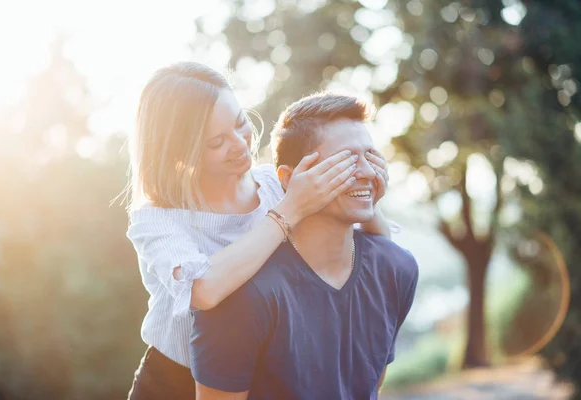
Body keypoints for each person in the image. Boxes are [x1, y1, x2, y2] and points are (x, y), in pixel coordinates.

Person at [125, 62, 395, 399]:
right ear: (180, 152)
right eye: (216, 142)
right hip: (174, 381)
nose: (240, 144)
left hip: (256, 375)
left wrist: (371, 201)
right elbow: (204, 290)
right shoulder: (158, 218)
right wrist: (288, 211)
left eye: (241, 124)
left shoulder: (275, 184)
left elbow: (376, 255)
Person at [190, 92, 419, 400]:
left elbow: (368, 388)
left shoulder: (397, 269)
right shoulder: (244, 297)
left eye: (370, 157)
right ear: (289, 178)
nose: (365, 172)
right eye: (346, 161)